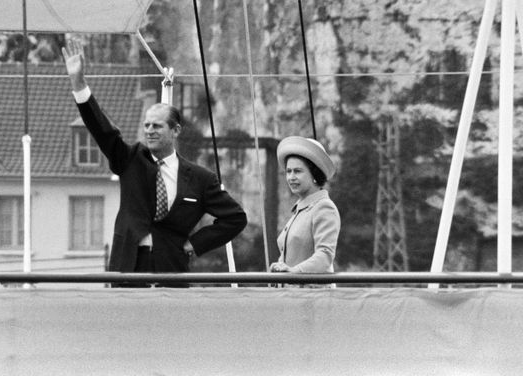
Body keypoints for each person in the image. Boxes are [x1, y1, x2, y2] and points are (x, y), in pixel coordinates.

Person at [62, 38, 247, 277]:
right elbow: (102, 130)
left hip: (171, 268)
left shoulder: (200, 179)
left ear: (175, 130)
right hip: (127, 266)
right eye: (147, 125)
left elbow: (235, 218)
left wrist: (194, 244)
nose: (150, 130)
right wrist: (79, 84)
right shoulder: (130, 160)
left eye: (157, 126)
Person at [270, 136, 340, 273]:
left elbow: (325, 256)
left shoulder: (324, 207)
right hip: (290, 292)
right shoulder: (300, 210)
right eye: (288, 171)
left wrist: (293, 272)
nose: (291, 177)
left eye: (297, 171)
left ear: (314, 174)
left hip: (311, 293)